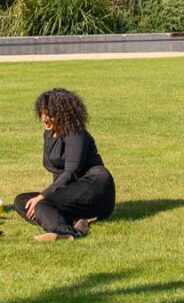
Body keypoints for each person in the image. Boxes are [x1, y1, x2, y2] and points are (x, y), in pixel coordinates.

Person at [14, 88, 115, 242]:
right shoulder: (49, 134)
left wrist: (43, 196)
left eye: (50, 114)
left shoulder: (76, 133)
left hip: (95, 187)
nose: (45, 118)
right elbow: (58, 173)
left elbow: (70, 172)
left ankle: (66, 232)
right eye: (42, 113)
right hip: (73, 189)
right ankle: (77, 222)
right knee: (22, 202)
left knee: (41, 204)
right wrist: (45, 198)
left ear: (63, 115)